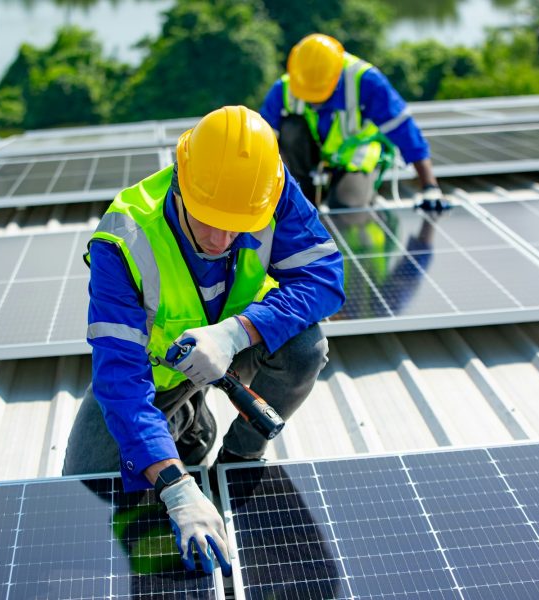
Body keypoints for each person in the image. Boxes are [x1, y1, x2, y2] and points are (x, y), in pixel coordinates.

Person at [62, 105, 345, 576]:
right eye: (208, 218)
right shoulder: (125, 238)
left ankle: (238, 456)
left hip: (238, 346)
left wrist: (236, 332)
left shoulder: (265, 188)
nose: (221, 236)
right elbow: (120, 379)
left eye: (238, 222)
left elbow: (325, 279)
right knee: (90, 477)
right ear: (181, 180)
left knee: (306, 346)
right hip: (156, 378)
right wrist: (177, 489)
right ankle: (187, 423)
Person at [260, 33, 448, 211]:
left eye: (319, 96)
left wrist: (429, 186)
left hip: (356, 157)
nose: (314, 102)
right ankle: (304, 197)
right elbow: (261, 141)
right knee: (290, 130)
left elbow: (403, 128)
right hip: (310, 161)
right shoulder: (288, 85)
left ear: (336, 76)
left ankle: (359, 193)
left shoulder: (366, 81)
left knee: (346, 207)